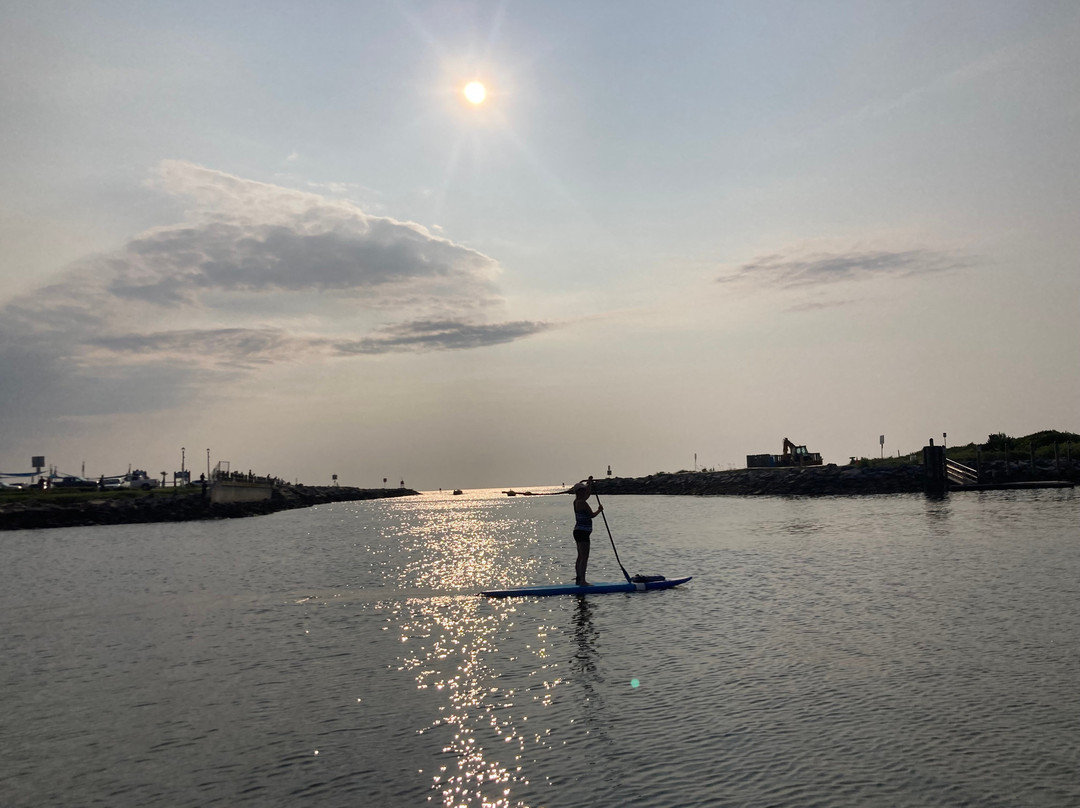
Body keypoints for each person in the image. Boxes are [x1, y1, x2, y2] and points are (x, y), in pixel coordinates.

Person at [572, 476, 603, 586]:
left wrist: (589, 484)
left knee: (580, 556)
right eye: (583, 489)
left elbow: (588, 495)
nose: (585, 491)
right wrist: (599, 510)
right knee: (584, 557)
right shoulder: (582, 503)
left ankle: (578, 579)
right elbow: (592, 515)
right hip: (582, 532)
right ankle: (583, 581)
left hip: (578, 531)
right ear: (579, 491)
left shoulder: (576, 501)